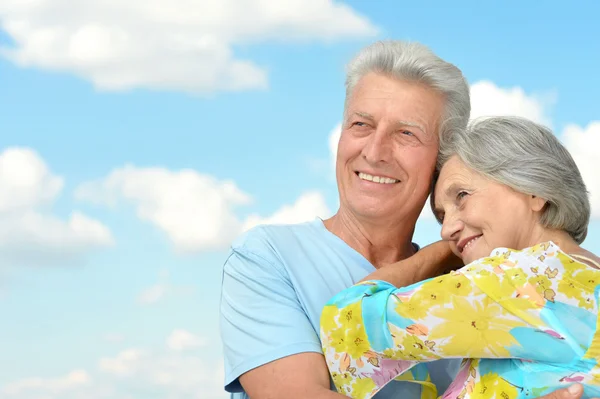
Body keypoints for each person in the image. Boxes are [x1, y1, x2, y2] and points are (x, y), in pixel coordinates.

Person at [219, 40, 583, 399]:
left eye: (406, 133)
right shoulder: (267, 256)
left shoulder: (481, 279)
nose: (375, 152)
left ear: (443, 161)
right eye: (361, 124)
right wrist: (443, 252)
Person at [320, 116, 600, 399]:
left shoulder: (513, 278)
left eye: (462, 196)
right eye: (442, 215)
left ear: (535, 190)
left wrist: (438, 254)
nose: (446, 230)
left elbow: (345, 320)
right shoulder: (585, 279)